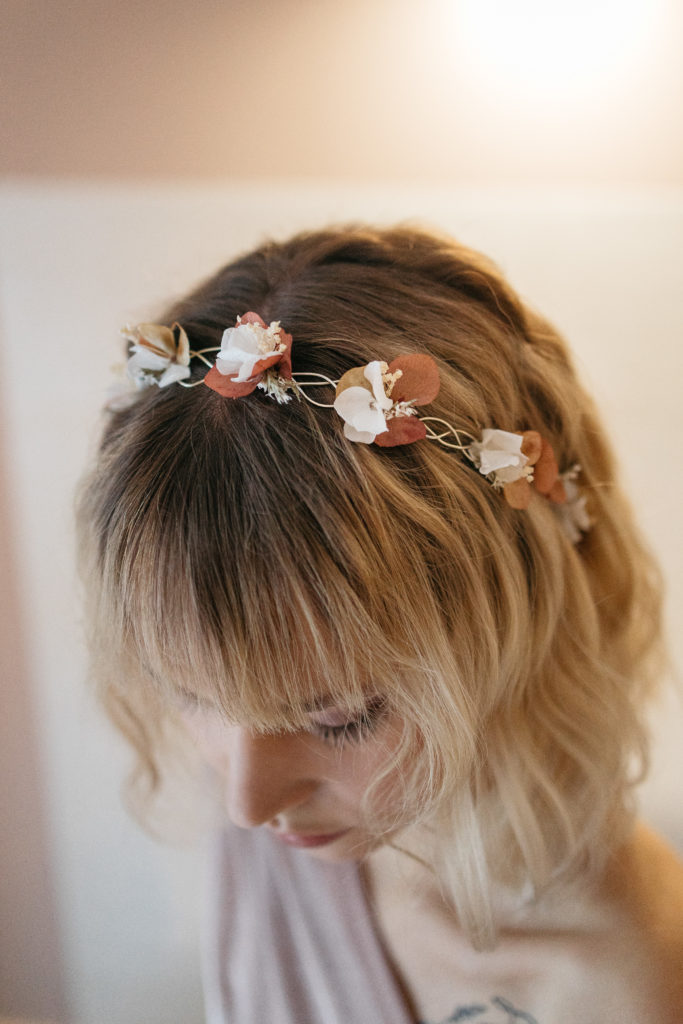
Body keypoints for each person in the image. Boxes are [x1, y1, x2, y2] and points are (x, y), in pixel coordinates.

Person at [76, 225, 683, 1024]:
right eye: (191, 694)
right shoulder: (285, 808)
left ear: (517, 629)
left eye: (338, 718)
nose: (246, 803)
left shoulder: (610, 973)